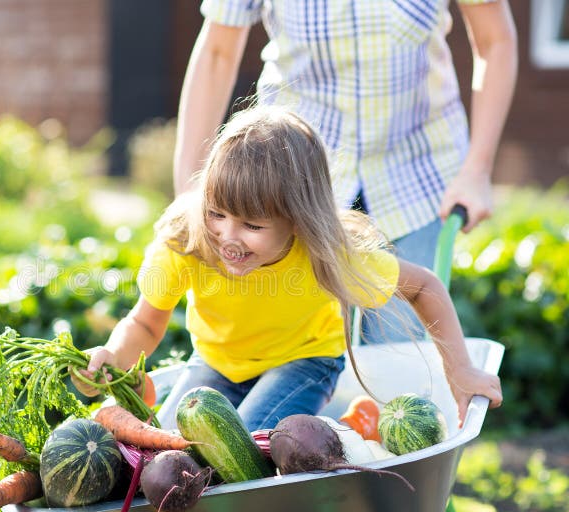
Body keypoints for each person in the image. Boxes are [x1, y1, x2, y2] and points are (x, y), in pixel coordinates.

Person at [74, 106, 502, 431]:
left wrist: (459, 369)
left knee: (235, 451)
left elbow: (423, 286)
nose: (228, 237)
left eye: (253, 225)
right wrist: (113, 357)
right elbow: (146, 325)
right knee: (166, 448)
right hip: (218, 362)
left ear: (297, 221)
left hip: (304, 361)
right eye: (218, 213)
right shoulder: (187, 240)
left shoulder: (325, 250)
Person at [172, 0, 517, 343]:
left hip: (416, 174)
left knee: (398, 360)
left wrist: (477, 170)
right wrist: (189, 190)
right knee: (293, 352)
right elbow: (217, 51)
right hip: (292, 184)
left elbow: (494, 41)